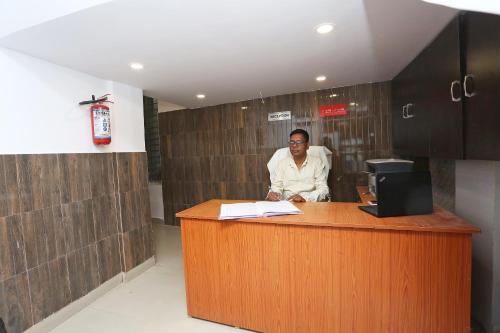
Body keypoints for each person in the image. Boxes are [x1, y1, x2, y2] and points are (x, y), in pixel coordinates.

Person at [266, 129, 329, 202]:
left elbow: (323, 189)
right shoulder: (282, 164)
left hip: (310, 204)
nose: (294, 145)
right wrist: (274, 194)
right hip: (287, 205)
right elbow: (276, 187)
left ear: (307, 145)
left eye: (299, 142)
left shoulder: (317, 163)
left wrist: (305, 198)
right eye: (291, 142)